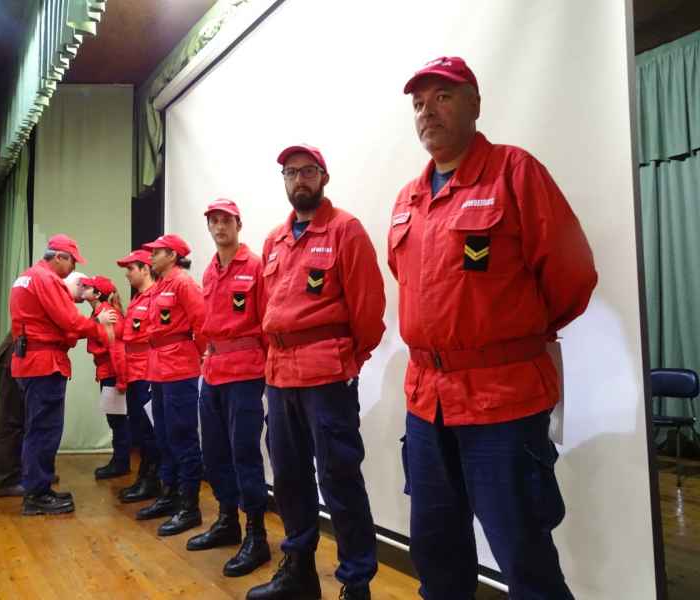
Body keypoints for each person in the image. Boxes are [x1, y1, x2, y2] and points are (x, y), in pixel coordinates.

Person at [390, 56, 598, 599]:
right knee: (437, 554)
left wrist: (512, 335)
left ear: (475, 104)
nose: (427, 111)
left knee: (524, 559)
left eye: (442, 97)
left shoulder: (515, 172)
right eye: (419, 103)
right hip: (426, 404)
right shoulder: (408, 200)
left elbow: (573, 275)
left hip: (502, 401)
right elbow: (409, 285)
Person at [247, 145, 386, 600]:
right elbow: (267, 310)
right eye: (290, 172)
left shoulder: (345, 230)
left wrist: (348, 361)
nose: (299, 179)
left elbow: (369, 309)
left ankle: (356, 583)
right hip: (279, 375)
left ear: (323, 177)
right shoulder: (274, 239)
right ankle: (299, 573)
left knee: (339, 478)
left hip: (326, 375)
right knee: (289, 479)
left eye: (308, 171)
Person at [186, 199, 270, 577]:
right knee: (215, 451)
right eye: (214, 221)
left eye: (226, 220)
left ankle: (256, 534)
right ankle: (227, 520)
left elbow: (267, 320)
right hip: (214, 371)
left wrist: (268, 371)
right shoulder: (209, 271)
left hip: (246, 372)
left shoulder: (255, 266)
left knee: (244, 452)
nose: (220, 227)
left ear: (238, 224)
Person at [9, 234, 116, 516]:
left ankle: (38, 487)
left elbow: (57, 324)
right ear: (59, 257)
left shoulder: (26, 277)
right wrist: (98, 326)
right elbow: (68, 320)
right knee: (44, 430)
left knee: (37, 428)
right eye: (72, 262)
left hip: (30, 361)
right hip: (44, 363)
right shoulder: (47, 279)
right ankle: (37, 495)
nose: (73, 270)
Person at [140, 234, 206, 536]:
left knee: (183, 437)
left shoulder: (183, 283)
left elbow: (201, 323)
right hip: (159, 367)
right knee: (164, 435)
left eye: (157, 252)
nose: (151, 257)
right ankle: (169, 495)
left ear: (173, 256)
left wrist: (198, 355)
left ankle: (189, 506)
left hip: (179, 366)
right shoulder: (159, 286)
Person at [115, 250, 162, 505]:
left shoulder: (156, 296)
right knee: (138, 428)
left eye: (131, 268)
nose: (127, 273)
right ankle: (144, 476)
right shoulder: (137, 299)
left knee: (148, 429)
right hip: (134, 371)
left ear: (145, 269)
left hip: (147, 371)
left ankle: (152, 480)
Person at [80, 275, 130, 480]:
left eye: (87, 287)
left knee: (117, 420)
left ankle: (121, 463)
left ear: (97, 293)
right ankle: (119, 461)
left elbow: (117, 350)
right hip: (108, 372)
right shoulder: (99, 314)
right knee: (115, 419)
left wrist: (121, 380)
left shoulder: (108, 314)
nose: (82, 288)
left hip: (113, 373)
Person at [0, 332, 25, 497]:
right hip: (15, 355)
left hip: (20, 354)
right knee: (9, 419)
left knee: (21, 419)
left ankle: (25, 473)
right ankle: (5, 480)